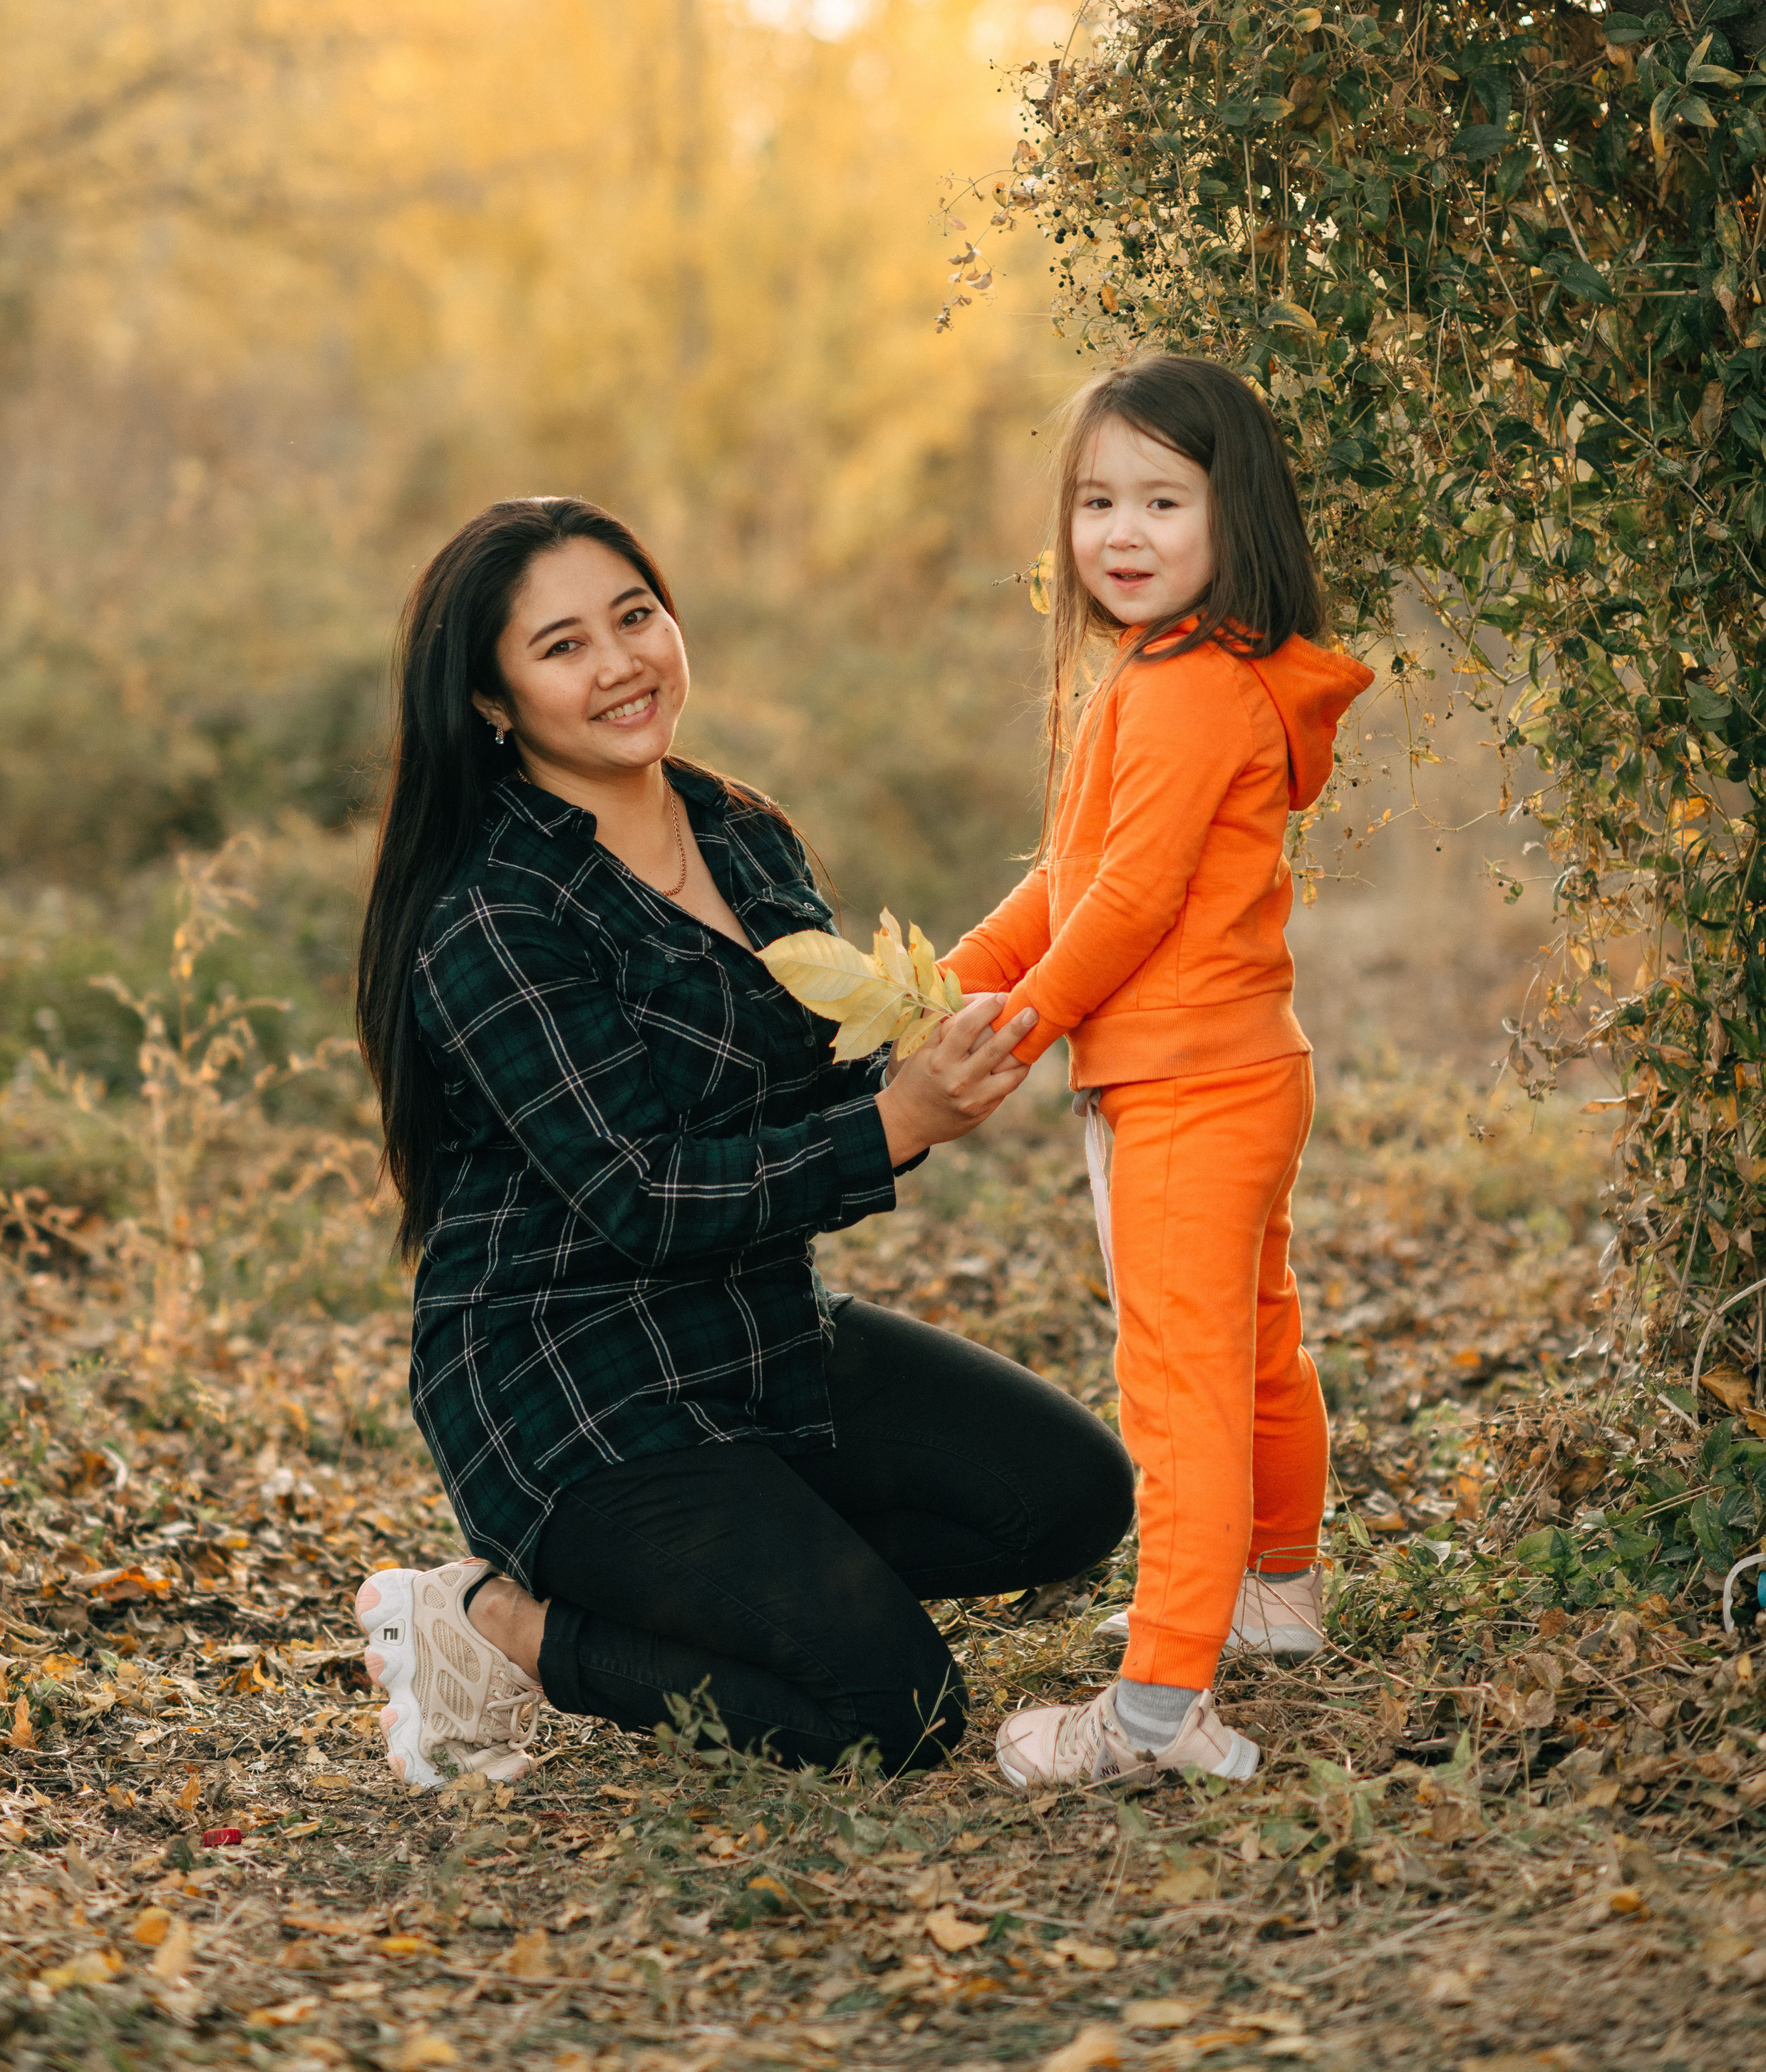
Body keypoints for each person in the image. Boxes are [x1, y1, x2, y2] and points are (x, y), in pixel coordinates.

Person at [351, 494, 1135, 1788]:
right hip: (571, 1374)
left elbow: (819, 1097)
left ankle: (743, 1566)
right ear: (495, 700)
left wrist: (924, 1065)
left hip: (759, 1332)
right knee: (895, 1711)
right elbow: (643, 1197)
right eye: (561, 647)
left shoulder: (741, 831)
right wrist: (893, 1123)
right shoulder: (491, 910)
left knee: (1069, 1499)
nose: (620, 664)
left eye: (635, 615)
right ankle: (494, 1622)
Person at [940, 354, 1373, 1791]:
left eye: (1160, 502)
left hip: (1187, 1090)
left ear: (1230, 514)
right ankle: (1276, 1595)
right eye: (1093, 502)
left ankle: (1151, 1709)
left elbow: (1120, 910)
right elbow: (1066, 884)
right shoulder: (1175, 674)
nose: (1119, 535)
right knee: (1249, 1353)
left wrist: (1023, 1027)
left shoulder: (1187, 695)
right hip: (1237, 1070)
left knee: (1175, 1386)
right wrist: (940, 993)